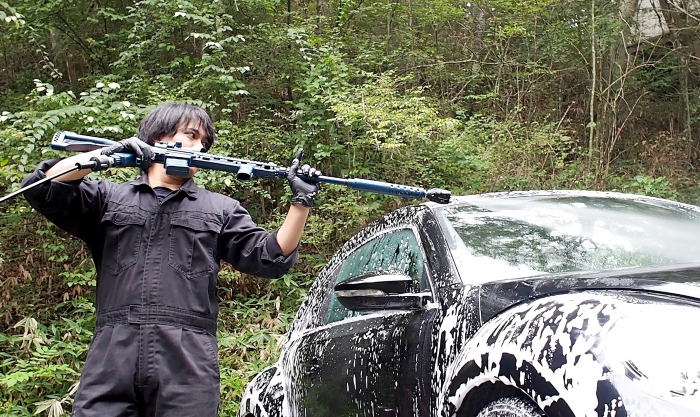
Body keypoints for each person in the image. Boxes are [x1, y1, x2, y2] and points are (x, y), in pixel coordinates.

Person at [21, 103, 320, 417]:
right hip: (111, 357)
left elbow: (271, 257)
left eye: (204, 142)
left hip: (187, 362)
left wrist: (301, 202)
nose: (199, 147)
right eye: (191, 135)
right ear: (158, 136)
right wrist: (106, 154)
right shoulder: (107, 198)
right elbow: (43, 188)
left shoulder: (220, 209)